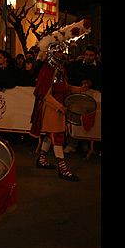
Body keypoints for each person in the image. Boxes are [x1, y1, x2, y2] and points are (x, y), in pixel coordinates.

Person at [30, 21, 91, 181]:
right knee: (57, 137)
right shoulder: (48, 69)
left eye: (62, 52)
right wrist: (59, 107)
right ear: (51, 53)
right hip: (52, 109)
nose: (62, 54)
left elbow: (65, 86)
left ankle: (41, 159)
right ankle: (62, 168)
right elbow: (43, 93)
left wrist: (79, 89)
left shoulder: (60, 68)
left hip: (59, 108)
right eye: (58, 52)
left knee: (50, 136)